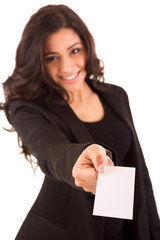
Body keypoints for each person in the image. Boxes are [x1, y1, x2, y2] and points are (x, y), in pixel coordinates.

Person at [0, 4, 160, 240]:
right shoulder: (27, 108)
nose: (66, 67)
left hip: (124, 232)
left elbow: (140, 175)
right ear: (38, 62)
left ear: (87, 46)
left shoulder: (115, 96)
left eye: (74, 51)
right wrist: (78, 160)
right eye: (52, 57)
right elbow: (52, 152)